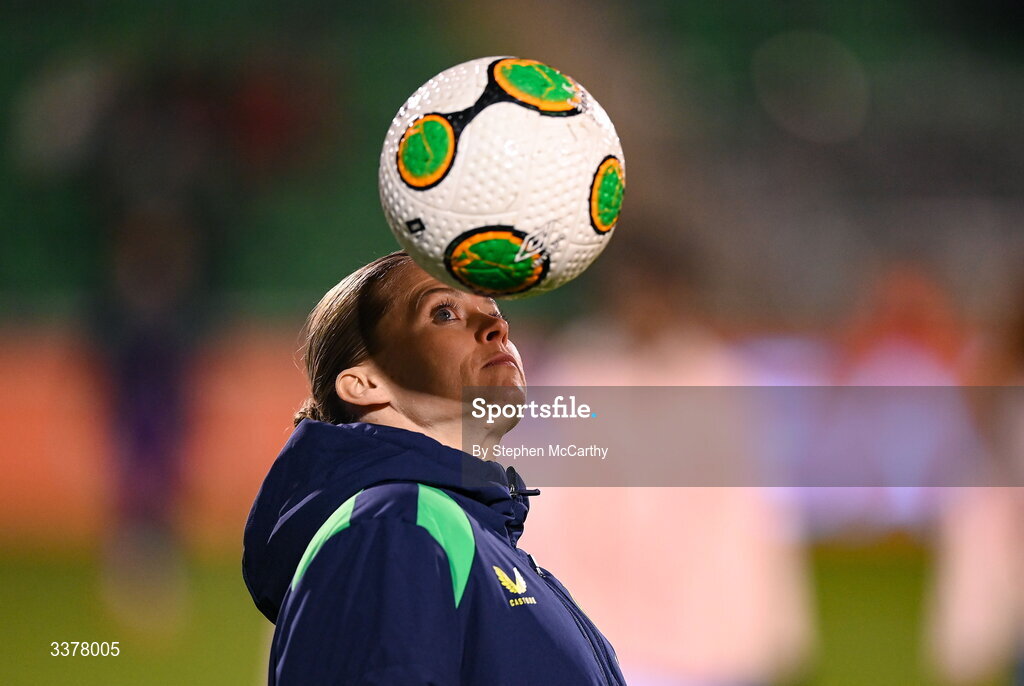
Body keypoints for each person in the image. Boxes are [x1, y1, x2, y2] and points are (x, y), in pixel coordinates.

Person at [242, 251, 626, 685]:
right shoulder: (395, 524)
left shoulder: (462, 533)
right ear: (367, 384)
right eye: (444, 312)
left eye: (495, 312)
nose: (498, 328)